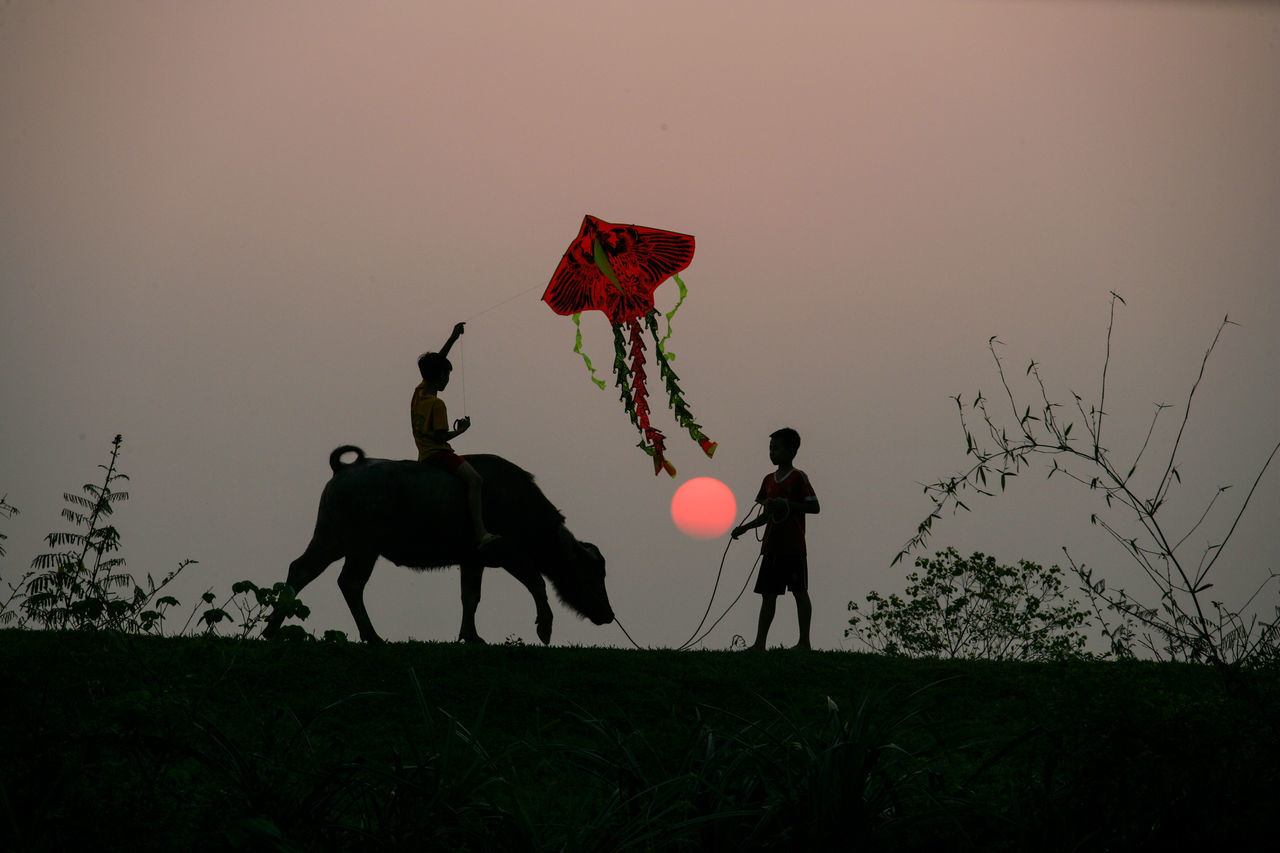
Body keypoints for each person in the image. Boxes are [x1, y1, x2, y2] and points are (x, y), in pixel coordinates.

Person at [413, 322, 499, 549]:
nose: (448, 380)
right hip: (437, 455)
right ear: (441, 376)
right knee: (476, 479)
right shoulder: (437, 404)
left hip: (422, 455)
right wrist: (461, 431)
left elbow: (437, 362)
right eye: (447, 375)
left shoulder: (419, 393)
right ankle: (480, 532)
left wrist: (452, 338)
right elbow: (441, 438)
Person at [731, 427, 820, 650]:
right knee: (768, 595)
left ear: (792, 451)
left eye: (776, 449)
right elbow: (765, 514)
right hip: (771, 547)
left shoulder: (798, 477)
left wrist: (787, 504)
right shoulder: (768, 480)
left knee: (799, 592)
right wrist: (745, 528)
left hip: (793, 547)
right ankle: (759, 643)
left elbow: (814, 506)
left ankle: (804, 642)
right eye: (770, 449)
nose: (772, 453)